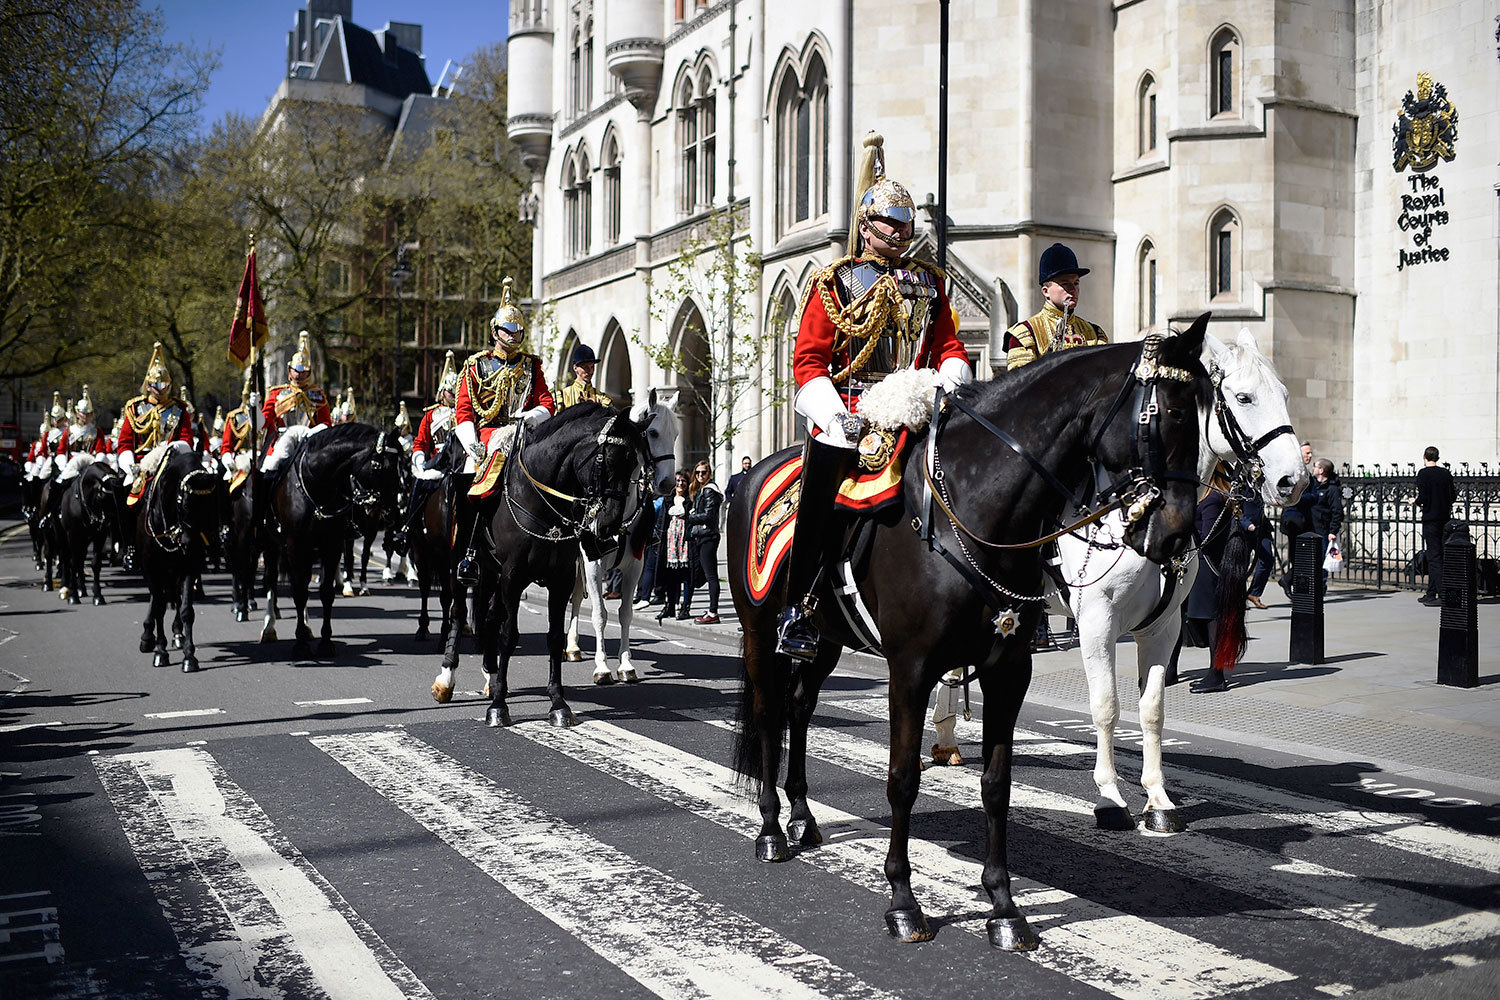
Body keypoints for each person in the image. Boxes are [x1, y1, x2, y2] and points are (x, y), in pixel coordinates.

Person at [778, 131, 974, 660]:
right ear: (866, 226)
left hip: (914, 405)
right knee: (820, 487)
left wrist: (946, 382)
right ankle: (800, 606)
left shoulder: (930, 283)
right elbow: (809, 362)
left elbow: (948, 346)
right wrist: (835, 415)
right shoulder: (835, 282)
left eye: (905, 222)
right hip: (850, 413)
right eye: (889, 221)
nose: (900, 229)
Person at [452, 276, 555, 584]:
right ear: (495, 331)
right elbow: (464, 410)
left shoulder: (532, 365)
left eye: (518, 331)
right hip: (487, 439)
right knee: (470, 484)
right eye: (508, 330)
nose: (514, 336)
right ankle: (468, 551)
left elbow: (547, 403)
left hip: (523, 434)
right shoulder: (475, 366)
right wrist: (471, 442)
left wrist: (530, 417)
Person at [1002, 243, 1108, 371]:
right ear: (1046, 291)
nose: (1073, 289)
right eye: (1065, 284)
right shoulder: (1024, 334)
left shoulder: (1095, 333)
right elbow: (1022, 386)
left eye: (1076, 283)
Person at [392, 351, 458, 554]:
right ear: (443, 391)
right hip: (438, 463)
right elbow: (420, 442)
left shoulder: (468, 413)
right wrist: (420, 459)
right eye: (450, 393)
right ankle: (407, 529)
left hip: (461, 461)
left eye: (457, 393)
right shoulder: (431, 415)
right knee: (420, 484)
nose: (453, 397)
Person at [260, 331, 333, 474]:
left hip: (309, 444)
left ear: (309, 372)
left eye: (303, 371)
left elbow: (326, 423)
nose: (299, 375)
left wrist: (311, 433)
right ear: (290, 370)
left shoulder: (318, 395)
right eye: (296, 370)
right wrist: (254, 408)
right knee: (267, 473)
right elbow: (263, 422)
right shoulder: (276, 393)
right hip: (281, 445)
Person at [1415, 446, 1456, 606]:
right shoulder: (1445, 473)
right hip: (1444, 519)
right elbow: (1452, 496)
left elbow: (1423, 497)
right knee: (1438, 554)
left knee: (1434, 557)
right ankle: (1431, 592)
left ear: (1424, 456)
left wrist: (1416, 502)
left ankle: (1442, 594)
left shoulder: (1423, 473)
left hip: (1431, 519)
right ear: (1437, 457)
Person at [686, 460, 723, 624]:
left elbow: (709, 515)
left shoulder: (709, 491)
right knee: (708, 574)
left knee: (711, 576)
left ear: (710, 474)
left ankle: (713, 612)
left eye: (704, 473)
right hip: (703, 535)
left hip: (707, 536)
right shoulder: (702, 490)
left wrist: (690, 516)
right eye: (698, 472)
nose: (700, 475)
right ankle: (711, 609)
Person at [655, 471, 692, 622]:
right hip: (669, 541)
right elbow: (662, 520)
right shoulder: (668, 499)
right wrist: (658, 540)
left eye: (683, 481)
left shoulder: (690, 499)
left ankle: (685, 607)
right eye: (677, 481)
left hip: (686, 540)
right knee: (670, 575)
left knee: (686, 575)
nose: (680, 484)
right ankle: (670, 605)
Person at [1307, 458, 1345, 577]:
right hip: (1309, 527)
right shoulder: (1311, 485)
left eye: (1315, 466)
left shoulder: (1332, 489)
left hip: (1323, 529)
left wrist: (1333, 530)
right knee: (1310, 559)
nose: (1313, 468)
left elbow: (1337, 511)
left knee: (1322, 559)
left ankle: (1321, 587)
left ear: (1321, 470)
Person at [1242, 492, 1275, 609]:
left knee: (1267, 560)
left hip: (1261, 529)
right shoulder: (1242, 485)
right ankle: (1239, 597)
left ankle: (1254, 593)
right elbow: (1234, 508)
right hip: (1244, 530)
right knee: (1242, 565)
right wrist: (1246, 523)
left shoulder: (1259, 486)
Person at [559, 343, 610, 409]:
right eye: (585, 367)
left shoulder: (603, 399)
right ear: (575, 368)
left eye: (592, 367)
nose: (590, 371)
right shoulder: (563, 396)